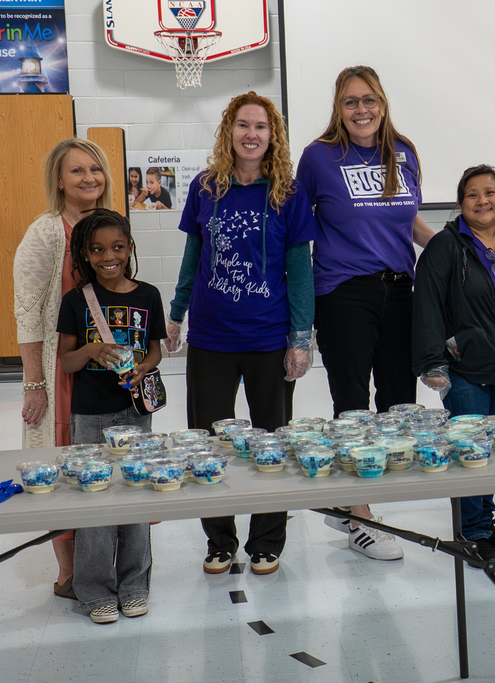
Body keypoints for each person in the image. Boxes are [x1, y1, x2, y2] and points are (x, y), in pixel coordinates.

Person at [165, 91, 316, 575]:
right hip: (211, 337)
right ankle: (220, 541)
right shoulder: (206, 188)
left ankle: (267, 541)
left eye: (262, 126)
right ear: (229, 131)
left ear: (273, 136)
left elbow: (300, 271)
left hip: (269, 339)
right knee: (209, 442)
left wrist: (300, 339)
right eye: (243, 125)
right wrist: (176, 313)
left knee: (272, 443)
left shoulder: (288, 193)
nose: (252, 134)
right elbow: (194, 256)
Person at [297, 65, 434, 561]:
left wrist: (454, 251)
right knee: (353, 402)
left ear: (383, 102)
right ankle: (359, 515)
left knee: (399, 403)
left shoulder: (404, 151)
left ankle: (359, 497)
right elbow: (298, 225)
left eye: (369, 99)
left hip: (401, 290)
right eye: (351, 101)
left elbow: (409, 220)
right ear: (338, 107)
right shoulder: (318, 156)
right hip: (342, 292)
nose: (362, 110)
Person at [413, 165, 495, 565]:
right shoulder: (445, 246)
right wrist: (434, 362)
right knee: (471, 448)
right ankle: (472, 532)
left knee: (494, 450)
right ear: (460, 202)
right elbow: (428, 306)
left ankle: (486, 521)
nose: (482, 201)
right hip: (462, 367)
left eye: (490, 192)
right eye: (472, 195)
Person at [13, 138, 115, 602]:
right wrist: (35, 385)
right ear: (59, 179)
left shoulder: (110, 226)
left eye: (95, 169)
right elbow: (28, 313)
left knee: (103, 462)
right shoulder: (45, 233)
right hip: (62, 372)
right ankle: (69, 572)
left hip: (106, 371)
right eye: (77, 171)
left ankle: (105, 562)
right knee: (61, 462)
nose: (89, 178)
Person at [56, 209, 166, 623]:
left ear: (130, 248)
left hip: (134, 414)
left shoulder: (148, 295)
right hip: (89, 416)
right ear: (85, 253)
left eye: (117, 247)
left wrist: (145, 367)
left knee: (136, 499)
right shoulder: (75, 300)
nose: (109, 256)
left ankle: (134, 585)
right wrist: (89, 351)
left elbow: (155, 349)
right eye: (98, 249)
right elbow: (67, 362)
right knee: (95, 502)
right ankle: (95, 590)